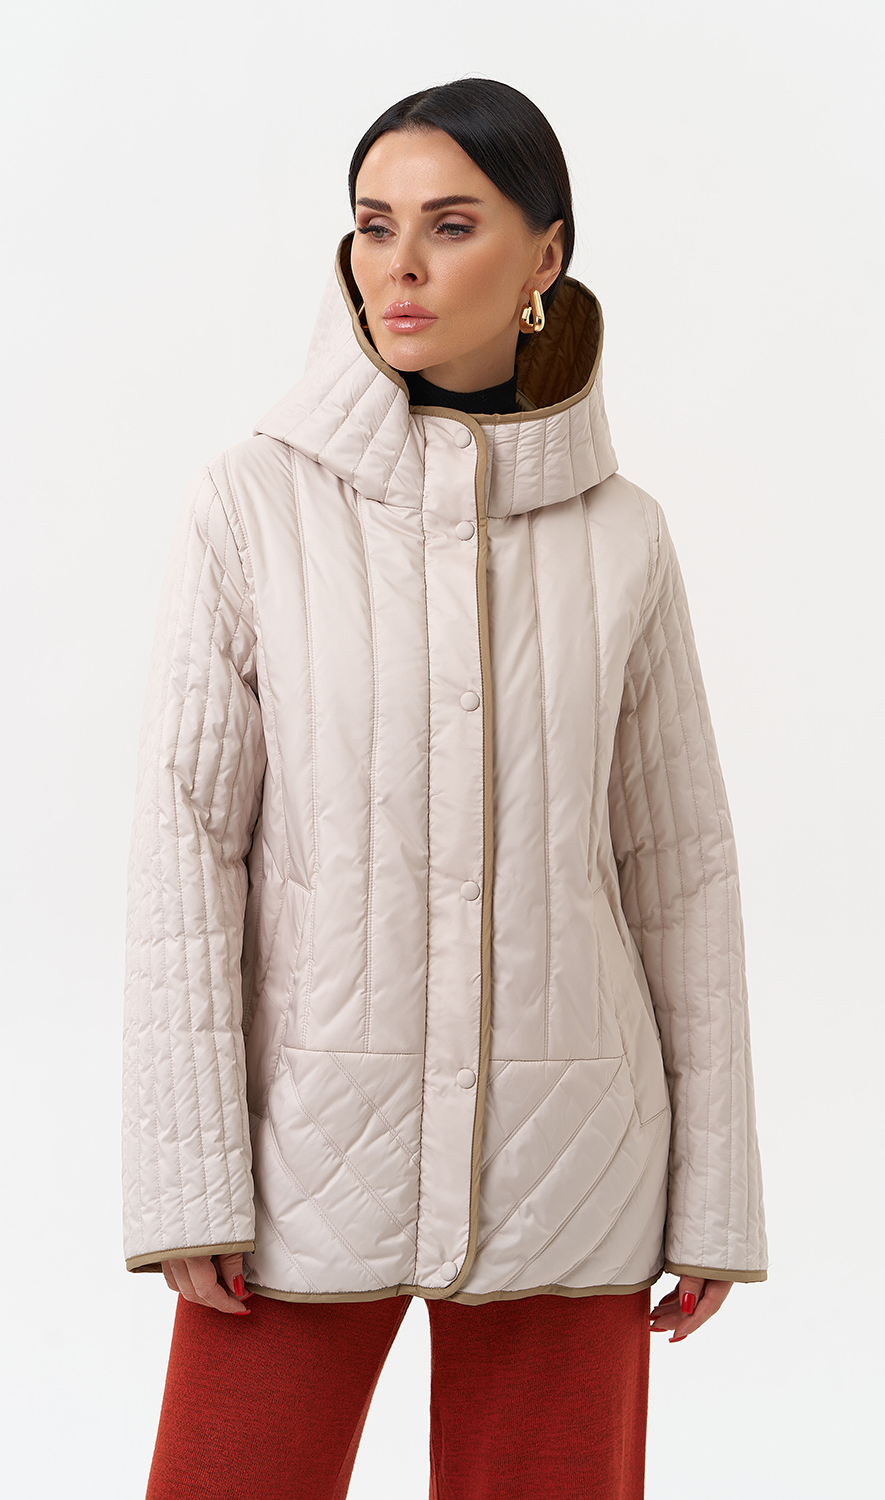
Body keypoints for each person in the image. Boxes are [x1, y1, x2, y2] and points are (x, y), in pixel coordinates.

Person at [122, 77, 769, 1500]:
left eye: (451, 225)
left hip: (577, 1154)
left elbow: (680, 866)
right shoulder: (252, 504)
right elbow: (187, 846)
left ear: (547, 256)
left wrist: (715, 1195)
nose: (399, 265)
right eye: (374, 226)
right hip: (302, 1152)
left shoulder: (624, 536)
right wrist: (188, 1176)